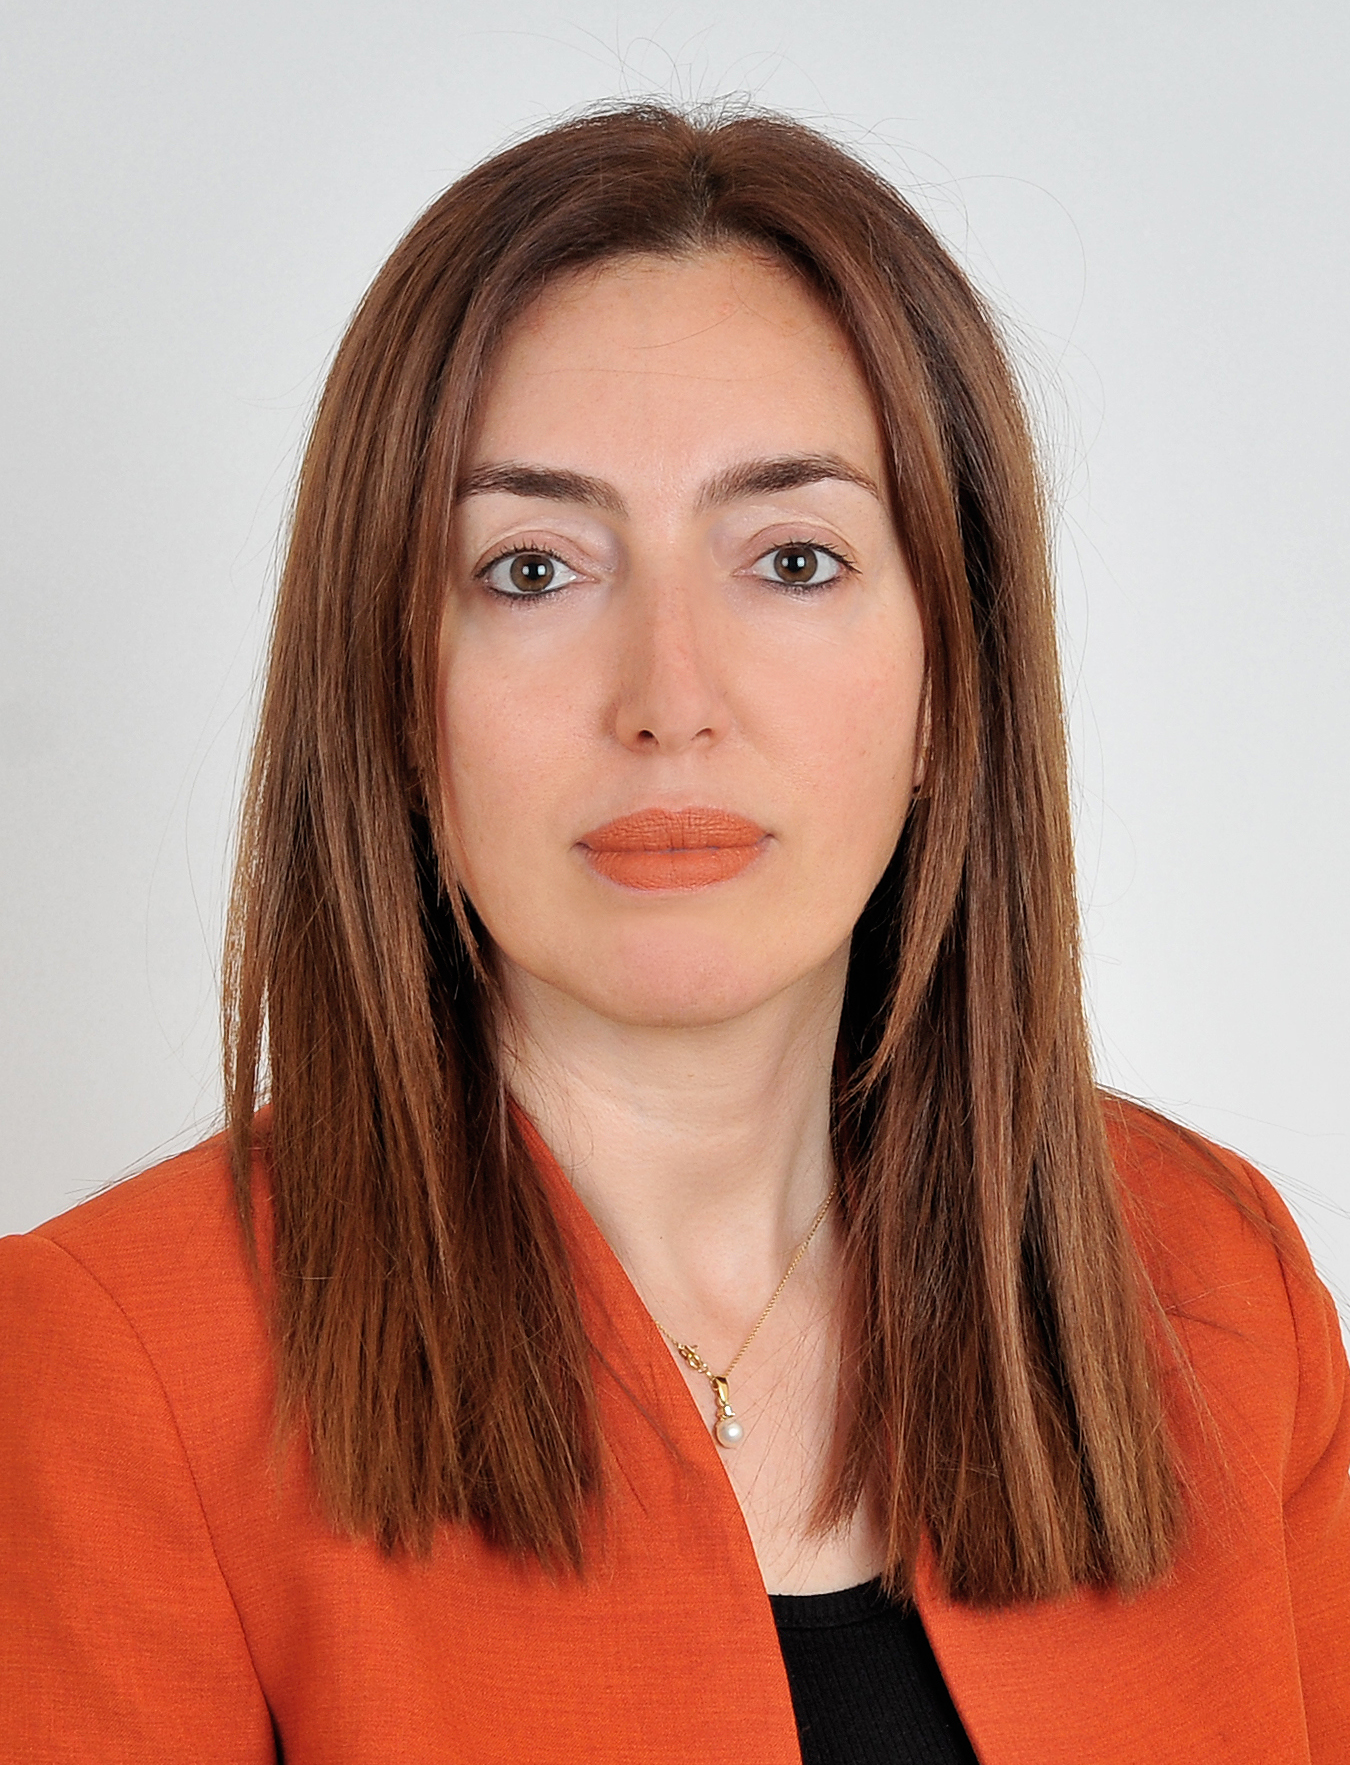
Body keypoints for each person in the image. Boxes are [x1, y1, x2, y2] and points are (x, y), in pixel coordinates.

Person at [1, 103, 1346, 1765]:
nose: (669, 700)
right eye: (531, 570)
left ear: (952, 677)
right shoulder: (107, 1367)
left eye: (792, 559)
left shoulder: (1215, 1287)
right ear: (392, 690)